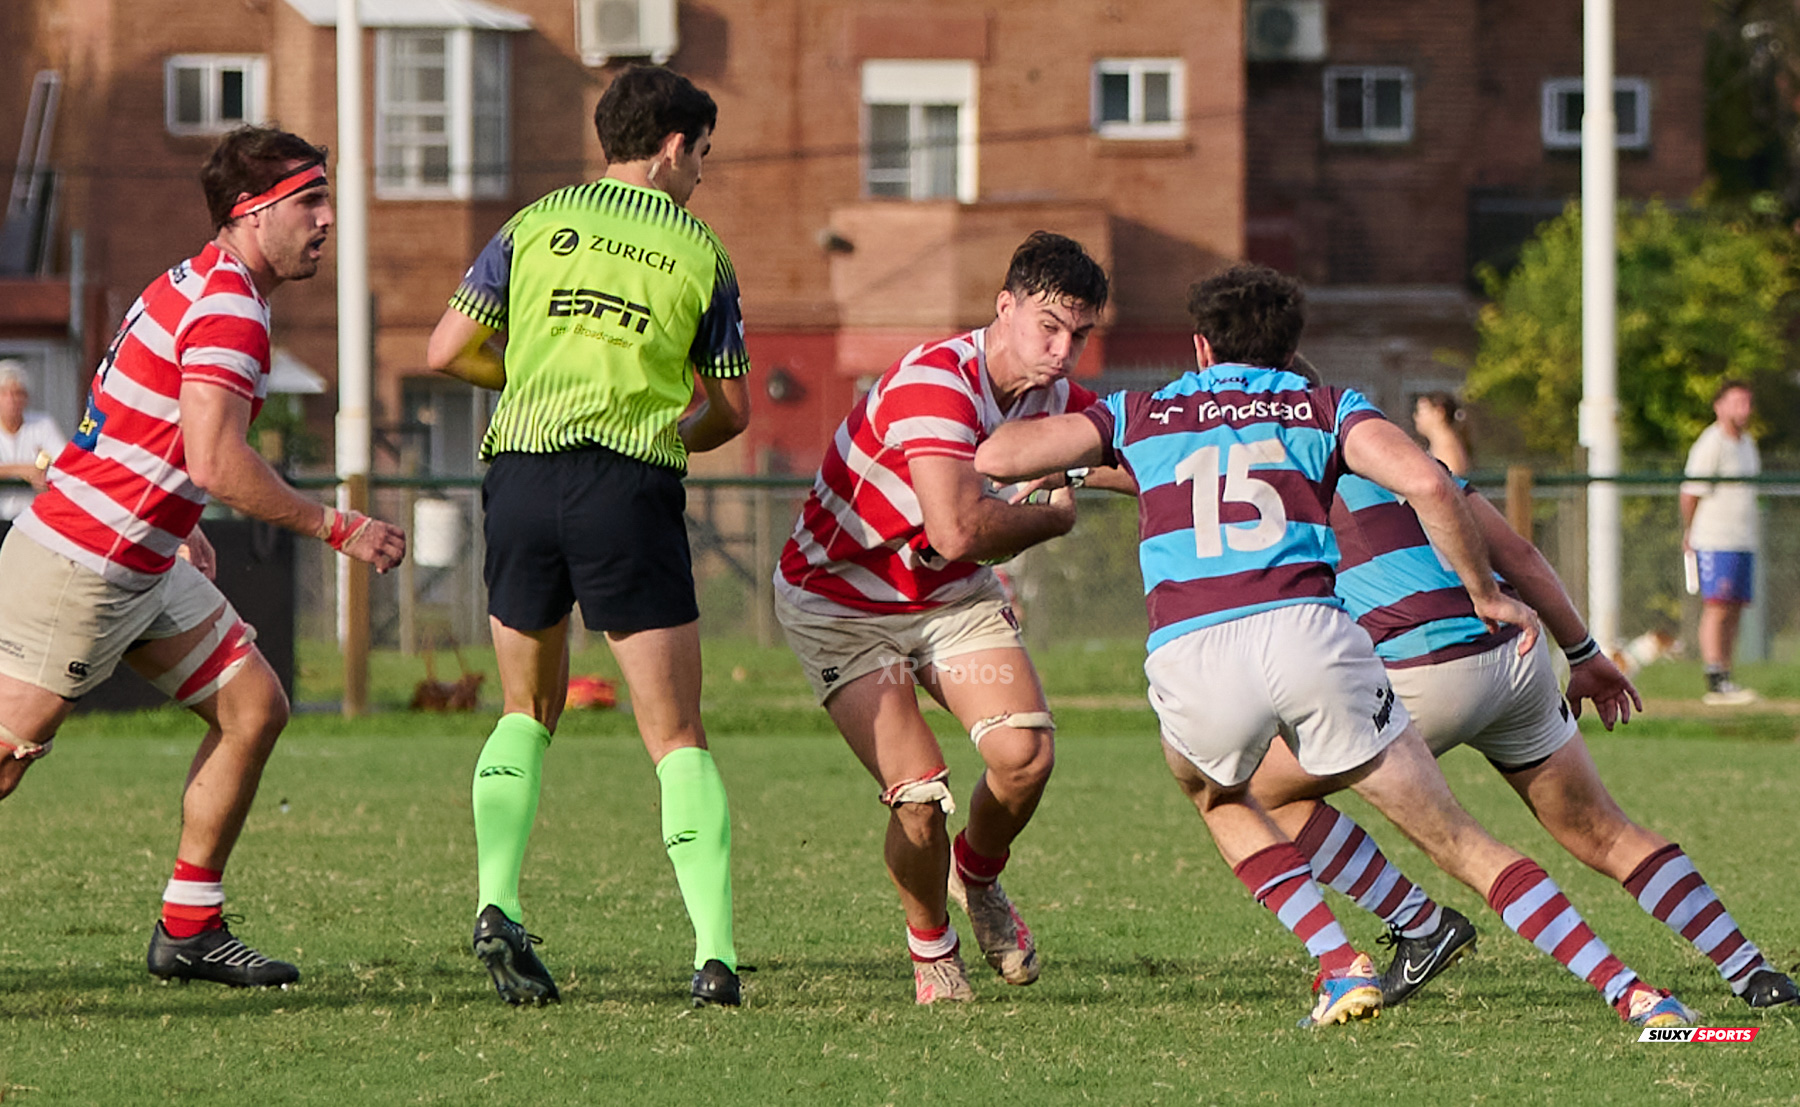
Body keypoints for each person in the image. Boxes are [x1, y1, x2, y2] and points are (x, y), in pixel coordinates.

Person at [975, 263, 1697, 1030]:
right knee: (1461, 840)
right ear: (1290, 348)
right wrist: (1487, 594)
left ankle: (1339, 960)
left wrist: (1043, 425)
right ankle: (1636, 994)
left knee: (1221, 796)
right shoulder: (1324, 405)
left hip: (1194, 649)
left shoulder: (1146, 409)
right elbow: (1427, 481)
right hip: (1311, 640)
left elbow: (996, 457)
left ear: (1200, 347)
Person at [0, 125, 406, 987]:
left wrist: (177, 515)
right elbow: (220, 459)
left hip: (141, 556)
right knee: (5, 760)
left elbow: (139, 415)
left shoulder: (201, 282)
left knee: (253, 705)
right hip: (82, 562)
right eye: (310, 203)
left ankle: (189, 928)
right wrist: (342, 527)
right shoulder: (228, 306)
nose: (327, 220)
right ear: (252, 215)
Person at [1239, 417, 1798, 1011]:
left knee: (1255, 791)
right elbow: (1522, 556)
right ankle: (1755, 974)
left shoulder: (1278, 483)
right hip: (1516, 654)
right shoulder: (1405, 459)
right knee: (1603, 830)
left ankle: (1422, 926)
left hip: (1420, 672)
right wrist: (1585, 654)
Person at [427, 65, 753, 1009]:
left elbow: (445, 350)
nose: (702, 176)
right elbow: (728, 406)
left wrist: (532, 375)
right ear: (672, 146)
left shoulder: (532, 224)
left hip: (521, 475)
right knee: (676, 734)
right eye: (703, 157)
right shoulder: (699, 250)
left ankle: (497, 901)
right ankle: (717, 956)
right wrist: (661, 432)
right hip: (627, 482)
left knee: (526, 709)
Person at [775, 231, 1126, 1004]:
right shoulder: (938, 382)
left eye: (1080, 334)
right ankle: (931, 944)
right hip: (842, 605)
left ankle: (979, 874)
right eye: (1049, 327)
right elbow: (957, 532)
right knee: (920, 798)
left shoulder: (1054, 393)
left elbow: (1133, 454)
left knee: (1025, 755)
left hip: (949, 600)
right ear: (1004, 307)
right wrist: (1054, 519)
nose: (1064, 351)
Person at [1681, 380, 1760, 705]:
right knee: (1717, 607)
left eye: (1747, 402)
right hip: (1715, 539)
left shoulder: (1747, 444)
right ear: (1720, 406)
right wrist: (1689, 532)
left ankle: (1728, 677)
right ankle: (1714, 678)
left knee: (1736, 608)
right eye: (1736, 402)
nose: (1743, 409)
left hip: (1743, 539)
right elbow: (1690, 491)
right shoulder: (1710, 443)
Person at [0, 361, 65, 520]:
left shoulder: (42, 424)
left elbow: (63, 462)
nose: (11, 400)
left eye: (17, 393)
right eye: (4, 393)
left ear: (26, 398)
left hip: (33, 516)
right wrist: (23, 469)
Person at [1411, 391, 1470, 475]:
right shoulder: (1440, 445)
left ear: (1439, 412)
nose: (1415, 417)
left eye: (1419, 411)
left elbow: (1452, 482)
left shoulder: (1448, 449)